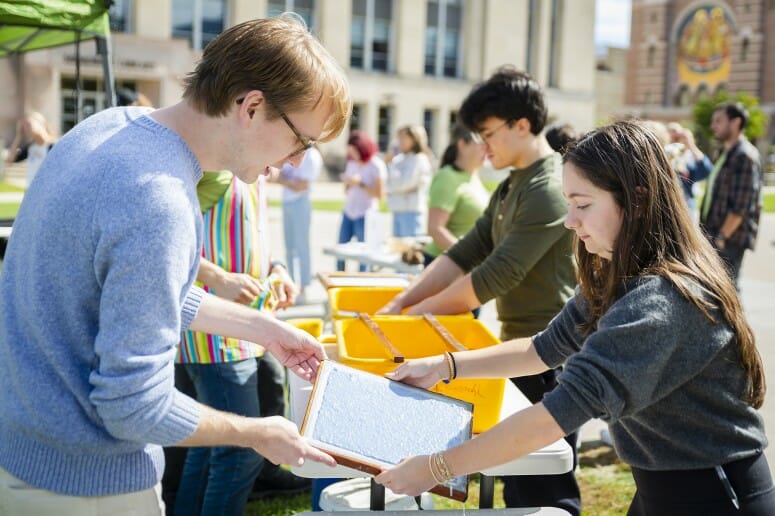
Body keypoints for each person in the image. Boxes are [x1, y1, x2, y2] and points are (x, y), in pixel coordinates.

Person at [0, 15, 350, 514]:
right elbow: (133, 406)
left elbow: (134, 286)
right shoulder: (159, 200)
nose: (296, 161)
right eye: (302, 140)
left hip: (25, 453)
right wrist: (256, 433)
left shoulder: (108, 126)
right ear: (251, 106)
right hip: (85, 488)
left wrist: (260, 328)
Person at [375, 120, 774, 514]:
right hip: (663, 485)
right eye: (569, 204)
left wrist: (436, 468)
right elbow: (542, 349)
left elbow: (553, 418)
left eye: (582, 205)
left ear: (636, 200)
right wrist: (443, 366)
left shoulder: (659, 302)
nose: (570, 221)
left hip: (718, 494)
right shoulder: (617, 274)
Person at [378, 66, 580, 514]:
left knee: (546, 484)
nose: (482, 147)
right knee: (517, 475)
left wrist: (414, 314)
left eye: (487, 134)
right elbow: (466, 252)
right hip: (521, 346)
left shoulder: (548, 188)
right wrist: (402, 302)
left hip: (554, 355)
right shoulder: (512, 184)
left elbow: (494, 276)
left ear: (522, 125)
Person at [173, 172, 306, 515]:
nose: (293, 163)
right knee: (240, 451)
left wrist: (277, 270)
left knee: (209, 449)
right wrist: (218, 277)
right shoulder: (215, 169)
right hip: (213, 337)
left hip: (245, 333)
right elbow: (165, 237)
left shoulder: (253, 172)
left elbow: (253, 238)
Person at [699, 102, 762, 288]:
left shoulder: (745, 156)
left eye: (719, 121)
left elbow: (742, 205)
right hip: (713, 234)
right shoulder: (724, 153)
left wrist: (722, 237)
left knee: (728, 292)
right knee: (715, 292)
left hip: (728, 239)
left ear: (735, 123)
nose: (713, 126)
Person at [272, 146, 323, 301]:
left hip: (300, 203)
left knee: (302, 247)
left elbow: (302, 186)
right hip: (287, 201)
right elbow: (278, 176)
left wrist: (282, 181)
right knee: (290, 248)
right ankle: (292, 284)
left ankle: (304, 287)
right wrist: (285, 181)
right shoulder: (292, 151)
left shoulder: (312, 156)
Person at [336, 130, 386, 271]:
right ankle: (340, 278)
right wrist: (348, 182)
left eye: (354, 150)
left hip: (365, 214)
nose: (352, 154)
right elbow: (346, 191)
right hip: (349, 211)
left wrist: (361, 184)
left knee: (364, 254)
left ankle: (362, 280)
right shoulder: (352, 163)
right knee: (340, 250)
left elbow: (380, 195)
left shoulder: (376, 165)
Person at [385, 125, 433, 237]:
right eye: (399, 137)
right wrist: (399, 188)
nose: (399, 141)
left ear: (415, 139)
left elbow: (403, 184)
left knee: (411, 250)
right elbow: (388, 185)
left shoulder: (419, 159)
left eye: (403, 137)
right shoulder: (399, 159)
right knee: (399, 250)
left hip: (412, 212)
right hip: (398, 210)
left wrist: (397, 188)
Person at [666, 121, 712, 215]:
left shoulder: (687, 159)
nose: (675, 137)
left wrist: (691, 144)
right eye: (671, 132)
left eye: (678, 133)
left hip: (687, 208)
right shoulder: (662, 153)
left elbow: (706, 170)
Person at [3, 111, 56, 186]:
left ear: (41, 124)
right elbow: (10, 160)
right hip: (30, 190)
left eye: (28, 124)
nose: (25, 128)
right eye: (24, 126)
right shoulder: (30, 147)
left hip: (46, 189)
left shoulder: (53, 146)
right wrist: (19, 136)